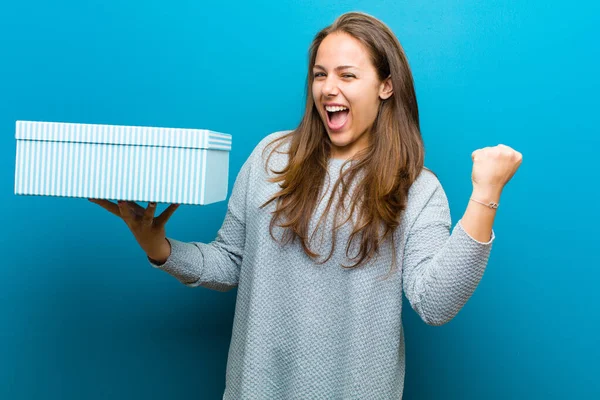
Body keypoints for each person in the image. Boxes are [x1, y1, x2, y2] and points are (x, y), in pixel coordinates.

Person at [90, 11, 522, 400]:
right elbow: (230, 262)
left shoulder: (418, 188)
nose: (328, 89)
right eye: (319, 74)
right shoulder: (270, 158)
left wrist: (485, 197)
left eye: (347, 76)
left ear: (386, 85)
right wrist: (159, 249)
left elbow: (435, 302)